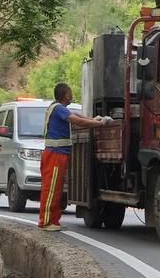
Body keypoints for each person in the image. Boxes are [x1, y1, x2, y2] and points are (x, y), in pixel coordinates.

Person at [39, 82, 111, 231]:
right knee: (51, 189)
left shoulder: (59, 108)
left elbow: (77, 116)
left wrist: (95, 120)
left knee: (56, 189)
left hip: (58, 154)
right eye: (70, 92)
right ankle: (45, 222)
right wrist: (100, 124)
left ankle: (53, 220)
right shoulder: (58, 109)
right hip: (55, 154)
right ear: (66, 94)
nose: (72, 94)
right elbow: (77, 120)